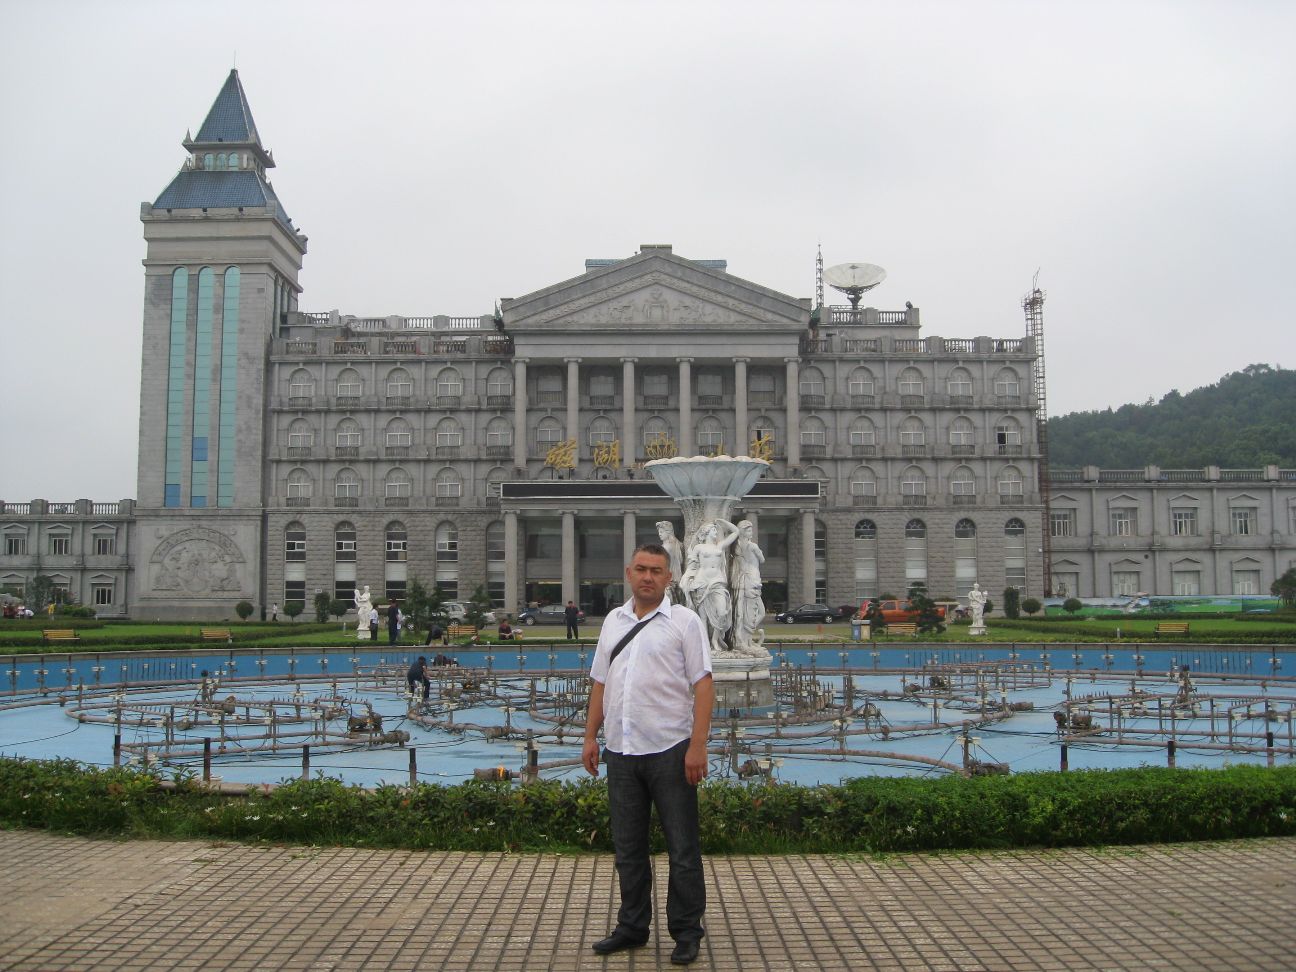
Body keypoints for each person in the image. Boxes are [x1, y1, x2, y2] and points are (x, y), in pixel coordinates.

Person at [583, 543, 713, 966]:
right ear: (628, 572)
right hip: (621, 753)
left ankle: (687, 932)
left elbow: (704, 684)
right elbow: (600, 683)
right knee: (628, 850)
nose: (648, 577)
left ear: (668, 577)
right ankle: (632, 927)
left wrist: (698, 745)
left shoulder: (684, 622)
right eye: (641, 569)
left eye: (656, 571)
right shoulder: (613, 623)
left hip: (670, 751)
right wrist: (590, 738)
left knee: (682, 849)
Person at [680, 519, 738, 656]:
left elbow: (736, 532)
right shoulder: (699, 548)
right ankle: (705, 643)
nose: (716, 532)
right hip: (701, 581)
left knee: (722, 612)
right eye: (713, 530)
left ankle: (715, 639)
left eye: (716, 530)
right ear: (705, 533)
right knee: (703, 617)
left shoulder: (720, 546)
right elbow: (692, 566)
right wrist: (687, 580)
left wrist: (722, 522)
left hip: (717, 581)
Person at [729, 519, 766, 655]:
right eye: (749, 530)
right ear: (743, 532)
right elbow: (762, 559)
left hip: (745, 580)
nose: (751, 533)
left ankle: (746, 639)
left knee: (749, 612)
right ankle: (745, 640)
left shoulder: (735, 547)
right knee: (752, 612)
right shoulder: (752, 546)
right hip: (751, 580)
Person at [655, 520, 685, 603]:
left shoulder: (665, 547)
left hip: (667, 581)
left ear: (668, 532)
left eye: (661, 532)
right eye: (659, 532)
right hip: (677, 579)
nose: (659, 534)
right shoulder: (678, 544)